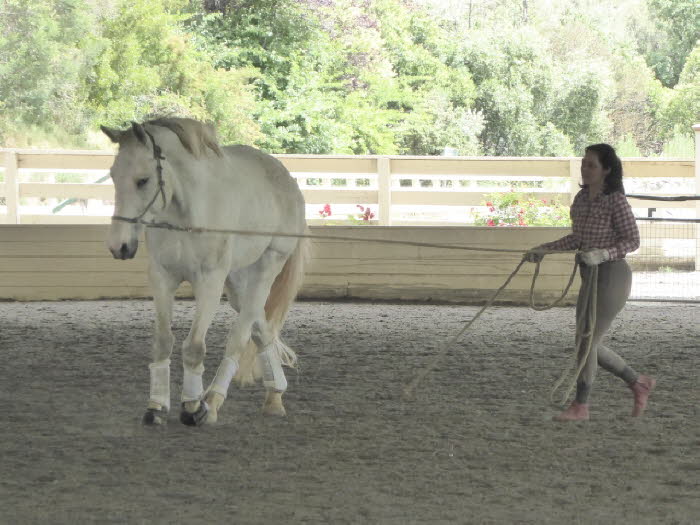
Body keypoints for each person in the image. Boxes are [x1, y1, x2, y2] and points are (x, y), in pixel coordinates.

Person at [525, 143, 655, 421]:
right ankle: (637, 382)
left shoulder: (615, 201)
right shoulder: (581, 200)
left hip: (612, 275)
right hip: (589, 275)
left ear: (606, 170)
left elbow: (632, 240)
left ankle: (581, 405)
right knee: (586, 341)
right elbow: (577, 239)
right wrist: (545, 249)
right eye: (584, 163)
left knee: (586, 340)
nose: (585, 169)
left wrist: (603, 253)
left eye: (591, 165)